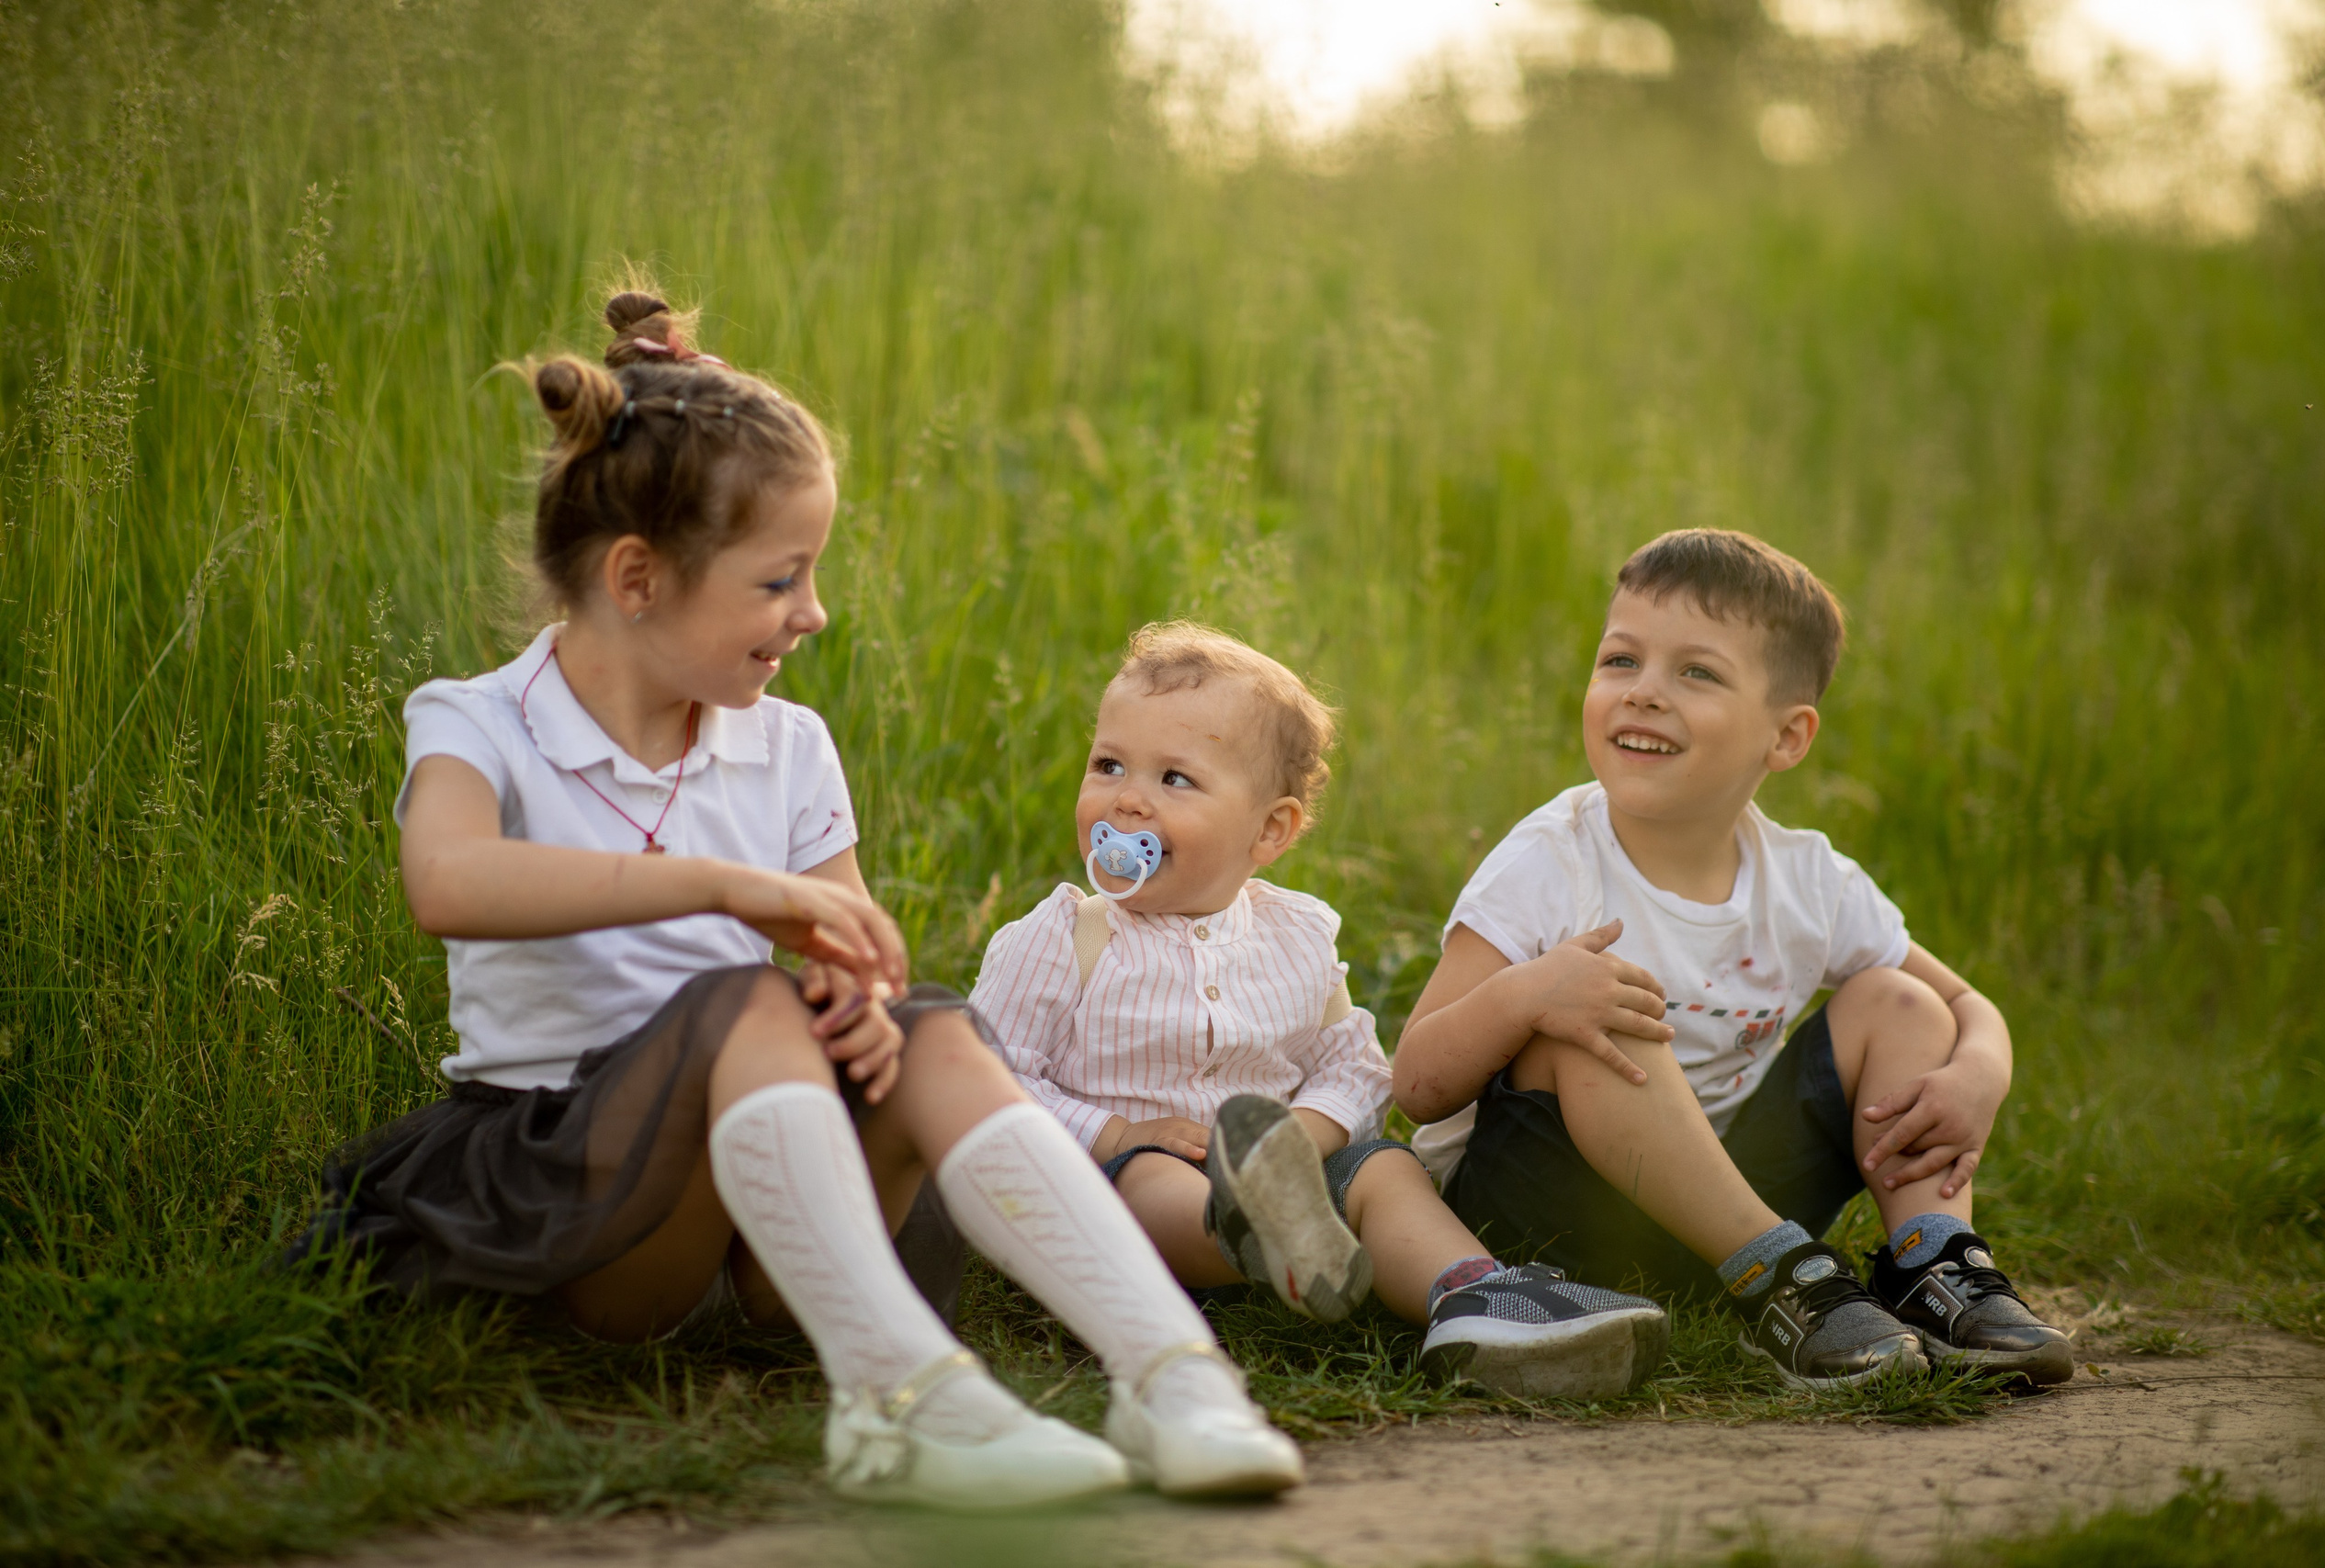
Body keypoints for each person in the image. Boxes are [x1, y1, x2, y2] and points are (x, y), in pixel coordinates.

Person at [298, 289, 1304, 1506]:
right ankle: (898, 1401)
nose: (813, 612)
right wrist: (725, 886)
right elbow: (446, 883)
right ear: (637, 577)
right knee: (741, 997)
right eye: (781, 579)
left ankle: (1173, 1372)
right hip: (588, 1201)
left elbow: (848, 950)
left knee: (929, 1019)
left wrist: (859, 1000)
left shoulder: (788, 745)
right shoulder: (478, 721)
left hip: (776, 1206)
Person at [1394, 529, 2073, 1390]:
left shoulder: (1807, 879)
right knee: (1600, 1010)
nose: (1644, 694)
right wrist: (1530, 995)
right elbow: (1415, 1081)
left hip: (1723, 1205)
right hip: (1544, 1222)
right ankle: (1779, 1278)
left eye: (1697, 673)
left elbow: (1964, 1001)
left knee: (1901, 1002)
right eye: (1621, 660)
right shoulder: (1549, 860)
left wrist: (1982, 1070)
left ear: (1786, 737)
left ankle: (1931, 1268)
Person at [973, 623, 1669, 1401]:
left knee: (1385, 1171)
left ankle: (1477, 1298)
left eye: (1175, 779)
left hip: (1286, 1185)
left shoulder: (1296, 934)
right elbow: (986, 1080)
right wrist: (1118, 1133)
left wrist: (1298, 1145)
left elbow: (1354, 1063)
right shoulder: (1064, 935)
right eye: (1108, 765)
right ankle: (1249, 1231)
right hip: (1117, 1206)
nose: (1127, 797)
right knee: (1149, 1178)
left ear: (1269, 829)